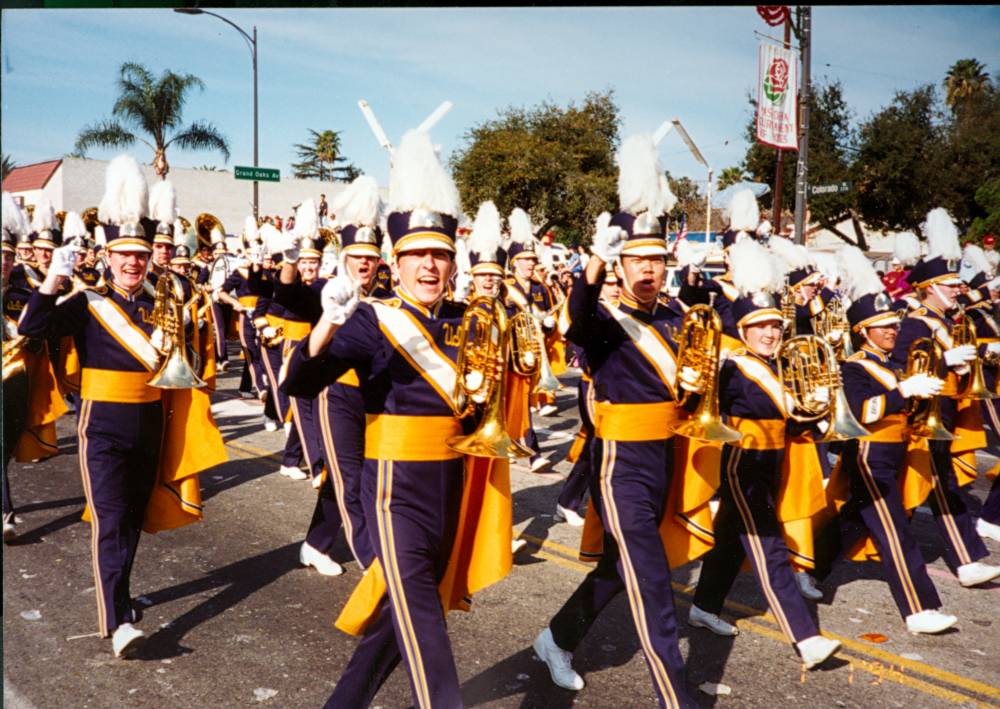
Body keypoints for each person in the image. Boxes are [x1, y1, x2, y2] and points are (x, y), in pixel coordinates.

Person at [284, 129, 513, 709]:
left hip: (452, 483)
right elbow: (301, 384)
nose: (430, 266)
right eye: (418, 255)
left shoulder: (470, 320)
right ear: (396, 261)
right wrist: (326, 327)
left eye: (440, 254)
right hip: (394, 488)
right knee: (424, 619)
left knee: (404, 615)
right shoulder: (370, 319)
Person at [18, 155, 219, 658]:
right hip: (103, 425)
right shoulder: (87, 303)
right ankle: (115, 623)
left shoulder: (163, 298)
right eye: (123, 254)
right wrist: (51, 285)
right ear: (107, 255)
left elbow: (185, 357)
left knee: (131, 517)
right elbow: (30, 332)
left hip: (150, 421)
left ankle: (122, 597)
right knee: (109, 518)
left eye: (140, 254)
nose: (132, 262)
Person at [532, 133, 699, 708]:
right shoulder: (603, 316)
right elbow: (575, 321)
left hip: (668, 456)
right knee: (653, 580)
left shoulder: (678, 315)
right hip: (621, 461)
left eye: (656, 259)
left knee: (617, 567)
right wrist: (595, 263)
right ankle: (675, 695)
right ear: (622, 265)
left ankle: (555, 639)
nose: (649, 269)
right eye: (638, 260)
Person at [688, 236, 842, 670]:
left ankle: (704, 605)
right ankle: (805, 637)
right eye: (760, 327)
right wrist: (801, 404)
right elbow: (762, 405)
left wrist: (816, 413)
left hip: (772, 460)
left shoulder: (779, 362)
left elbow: (792, 416)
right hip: (744, 462)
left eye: (775, 326)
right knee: (768, 545)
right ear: (742, 330)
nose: (771, 333)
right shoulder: (735, 367)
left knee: (731, 540)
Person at [820, 246, 958, 634]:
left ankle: (809, 571)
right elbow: (861, 412)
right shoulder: (854, 368)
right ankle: (919, 609)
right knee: (895, 531)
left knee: (850, 524)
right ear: (862, 331)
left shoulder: (894, 363)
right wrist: (903, 392)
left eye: (894, 326)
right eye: (884, 328)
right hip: (868, 454)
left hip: (895, 452)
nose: (892, 332)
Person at [889, 208, 1000, 587]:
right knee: (933, 486)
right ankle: (966, 559)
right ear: (930, 287)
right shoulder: (916, 322)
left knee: (927, 487)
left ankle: (833, 550)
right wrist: (943, 359)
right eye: (950, 285)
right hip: (922, 415)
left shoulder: (947, 321)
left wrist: (977, 358)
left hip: (947, 411)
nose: (958, 289)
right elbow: (902, 366)